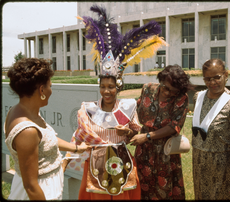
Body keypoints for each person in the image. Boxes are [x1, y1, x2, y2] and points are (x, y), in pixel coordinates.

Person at [62, 5, 167, 200]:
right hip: (95, 165)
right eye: (103, 87)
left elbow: (136, 133)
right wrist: (65, 161)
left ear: (118, 86)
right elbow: (78, 137)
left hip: (122, 163)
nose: (107, 91)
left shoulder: (128, 107)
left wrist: (127, 132)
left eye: (111, 87)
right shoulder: (89, 109)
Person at [4, 58, 90, 200]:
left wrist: (76, 148)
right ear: (41, 90)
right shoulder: (27, 131)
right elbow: (31, 187)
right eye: (50, 85)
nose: (51, 90)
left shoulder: (22, 110)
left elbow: (46, 140)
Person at [130, 64, 193, 200]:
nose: (167, 93)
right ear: (161, 80)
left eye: (173, 91)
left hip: (166, 151)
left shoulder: (181, 98)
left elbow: (174, 126)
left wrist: (147, 136)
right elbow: (134, 110)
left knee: (164, 190)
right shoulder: (147, 89)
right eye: (165, 88)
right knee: (143, 186)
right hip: (144, 150)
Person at [191, 59, 230, 200]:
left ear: (226, 75)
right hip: (199, 166)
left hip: (223, 170)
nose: (212, 83)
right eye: (208, 79)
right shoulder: (198, 97)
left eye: (217, 77)